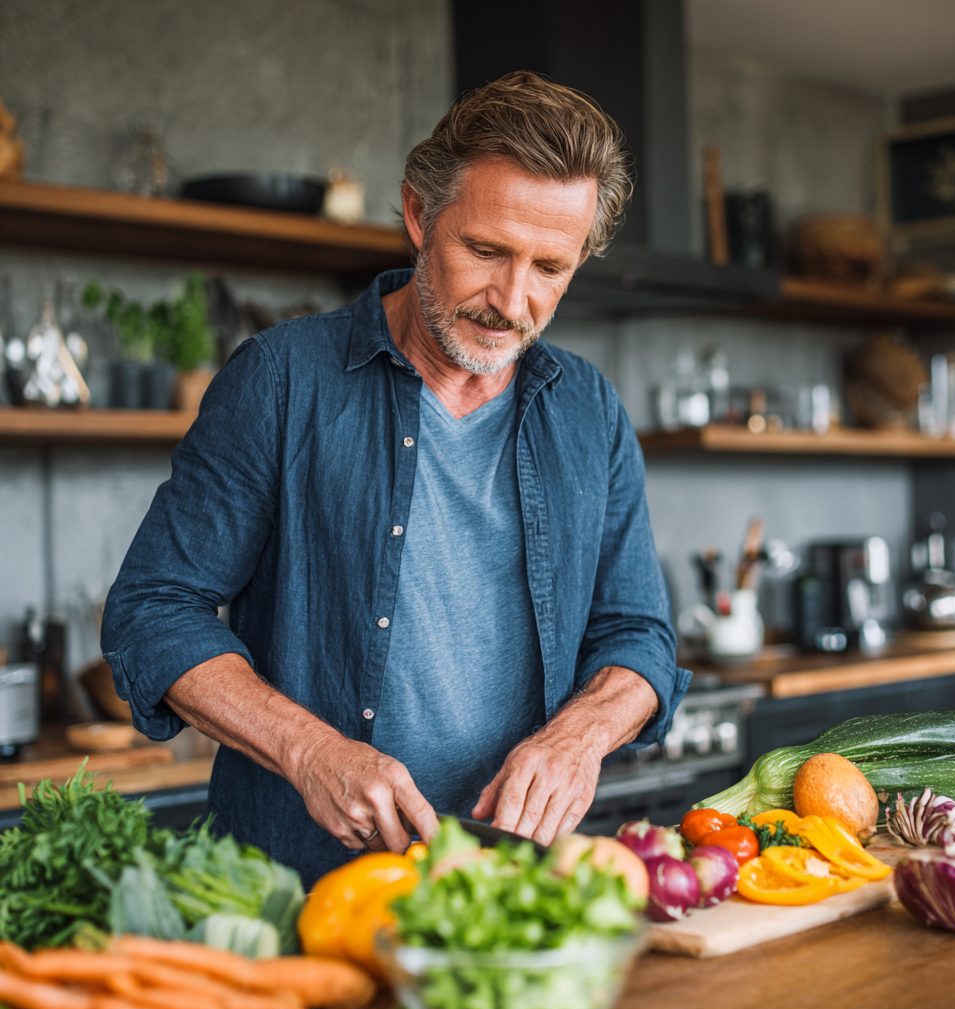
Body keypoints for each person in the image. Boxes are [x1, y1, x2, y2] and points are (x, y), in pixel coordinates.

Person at [102, 72, 690, 888]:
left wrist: (578, 737)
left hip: (514, 885)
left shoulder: (588, 408)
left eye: (550, 267)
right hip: (300, 881)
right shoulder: (281, 379)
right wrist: (312, 753)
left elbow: (640, 635)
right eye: (486, 251)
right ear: (420, 215)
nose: (512, 300)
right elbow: (151, 611)